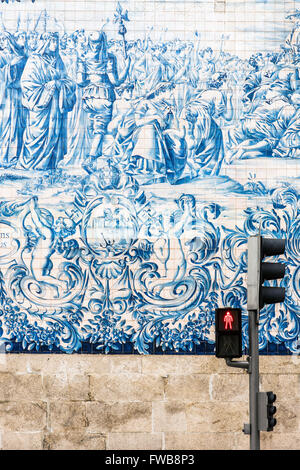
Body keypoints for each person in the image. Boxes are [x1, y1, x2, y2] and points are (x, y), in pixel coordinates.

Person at [17, 31, 76, 170]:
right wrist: (46, 88)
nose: (55, 44)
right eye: (52, 41)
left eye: (56, 41)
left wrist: (58, 83)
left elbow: (67, 80)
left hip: (55, 104)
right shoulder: (34, 60)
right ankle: (29, 164)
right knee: (36, 134)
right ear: (45, 42)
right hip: (40, 104)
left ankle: (48, 164)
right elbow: (26, 83)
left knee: (54, 133)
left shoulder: (58, 60)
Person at [78, 30, 131, 160]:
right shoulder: (108, 57)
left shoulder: (83, 57)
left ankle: (95, 156)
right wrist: (127, 67)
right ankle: (91, 158)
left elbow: (79, 81)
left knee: (94, 127)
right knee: (101, 129)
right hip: (103, 96)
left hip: (88, 97)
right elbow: (115, 82)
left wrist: (91, 80)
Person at [0, 31, 27, 167]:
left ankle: (13, 156)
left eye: (4, 39)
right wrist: (10, 67)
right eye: (1, 40)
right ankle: (3, 156)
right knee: (5, 124)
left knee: (17, 125)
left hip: (17, 95)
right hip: (5, 96)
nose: (2, 42)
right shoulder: (1, 56)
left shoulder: (20, 57)